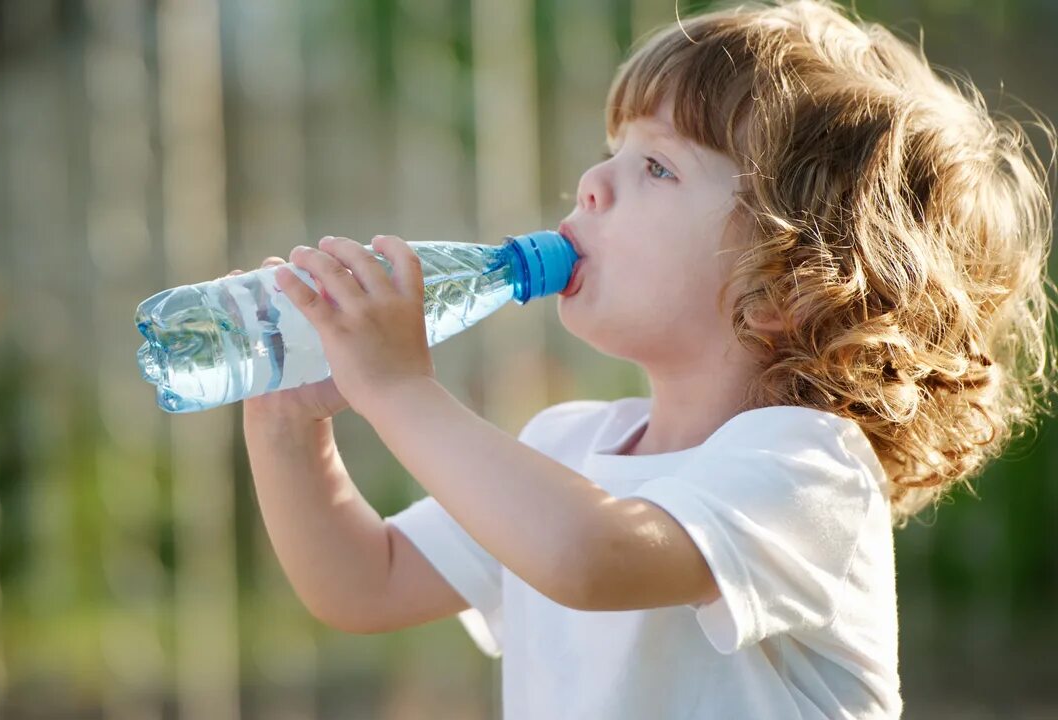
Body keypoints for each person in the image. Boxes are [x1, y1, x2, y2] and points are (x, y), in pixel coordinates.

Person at [232, 0, 1055, 717]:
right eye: (613, 149)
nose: (592, 182)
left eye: (656, 166)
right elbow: (361, 583)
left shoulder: (808, 472)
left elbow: (591, 559)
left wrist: (400, 390)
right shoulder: (564, 449)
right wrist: (285, 427)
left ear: (787, 283)